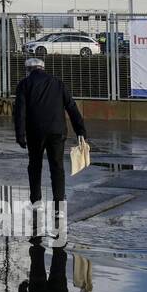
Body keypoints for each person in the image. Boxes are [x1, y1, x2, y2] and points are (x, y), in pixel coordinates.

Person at [12, 56, 86, 217]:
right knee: (57, 167)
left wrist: (20, 134)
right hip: (57, 131)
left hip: (35, 132)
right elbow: (71, 106)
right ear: (43, 68)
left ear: (28, 70)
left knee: (35, 165)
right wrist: (80, 130)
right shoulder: (58, 83)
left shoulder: (24, 84)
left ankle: (36, 201)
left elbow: (20, 111)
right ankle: (59, 207)